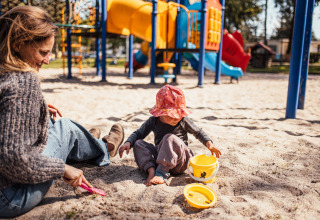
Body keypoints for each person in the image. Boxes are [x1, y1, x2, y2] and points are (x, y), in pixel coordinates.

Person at [0, 6, 124, 218]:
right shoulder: (23, 83)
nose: (48, 60)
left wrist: (32, 110)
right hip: (12, 196)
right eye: (43, 52)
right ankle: (103, 148)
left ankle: (82, 144)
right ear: (20, 44)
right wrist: (63, 169)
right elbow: (14, 159)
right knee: (63, 127)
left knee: (55, 127)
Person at [119, 85, 221, 186]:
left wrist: (209, 144)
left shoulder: (183, 120)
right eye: (172, 115)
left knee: (169, 137)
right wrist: (128, 142)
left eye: (179, 114)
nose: (176, 118)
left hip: (180, 161)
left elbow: (198, 132)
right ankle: (152, 170)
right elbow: (139, 133)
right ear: (161, 113)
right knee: (138, 143)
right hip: (161, 158)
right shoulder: (153, 121)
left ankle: (161, 173)